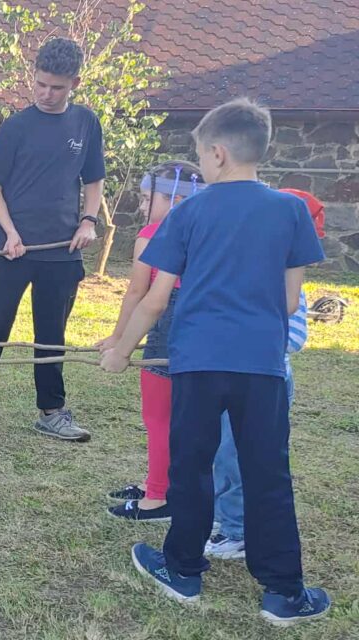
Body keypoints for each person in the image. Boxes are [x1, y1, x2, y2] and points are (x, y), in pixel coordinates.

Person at [102, 98, 330, 627]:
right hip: (263, 367)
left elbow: (156, 300)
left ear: (219, 154)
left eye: (202, 158)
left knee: (191, 465)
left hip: (197, 364)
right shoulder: (292, 211)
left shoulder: (189, 212)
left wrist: (120, 351)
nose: (202, 167)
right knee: (268, 472)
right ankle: (284, 593)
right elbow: (291, 302)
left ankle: (182, 569)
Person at [0, 37, 105, 444]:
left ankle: (52, 411)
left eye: (57, 87)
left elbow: (94, 179)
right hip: (10, 249)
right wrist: (11, 232)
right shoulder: (17, 127)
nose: (47, 94)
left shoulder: (86, 123)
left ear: (75, 83)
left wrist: (88, 221)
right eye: (41, 85)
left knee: (52, 334)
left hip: (61, 251)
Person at [205, 188, 326, 559]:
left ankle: (237, 530)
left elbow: (295, 337)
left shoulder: (288, 287)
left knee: (240, 457)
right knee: (220, 453)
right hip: (229, 378)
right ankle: (221, 516)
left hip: (263, 383)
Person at [97, 162, 205, 521]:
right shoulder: (207, 230)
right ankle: (159, 481)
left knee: (157, 415)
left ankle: (157, 497)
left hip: (167, 320)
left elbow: (139, 292)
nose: (142, 207)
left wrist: (119, 340)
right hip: (199, 320)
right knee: (182, 414)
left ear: (174, 198)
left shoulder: (152, 234)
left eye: (147, 198)